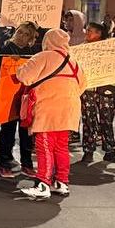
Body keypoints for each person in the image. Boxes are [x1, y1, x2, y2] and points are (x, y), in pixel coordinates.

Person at [16, 28, 85, 199]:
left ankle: (43, 184)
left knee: (44, 146)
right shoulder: (74, 61)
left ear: (48, 41)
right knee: (61, 147)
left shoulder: (43, 56)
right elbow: (83, 85)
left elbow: (24, 77)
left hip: (48, 109)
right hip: (69, 110)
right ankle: (62, 182)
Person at [0, 22, 39, 178]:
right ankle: (5, 163)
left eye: (26, 34)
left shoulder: (32, 51)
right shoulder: (6, 48)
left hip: (26, 96)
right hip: (8, 96)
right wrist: (7, 60)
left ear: (31, 39)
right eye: (20, 32)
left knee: (26, 131)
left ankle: (27, 164)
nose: (21, 36)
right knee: (8, 130)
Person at [79, 22, 115, 163]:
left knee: (107, 120)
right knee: (88, 120)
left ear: (99, 33)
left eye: (90, 31)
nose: (87, 33)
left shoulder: (111, 48)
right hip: (88, 89)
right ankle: (88, 150)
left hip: (106, 89)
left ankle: (110, 151)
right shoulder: (81, 48)